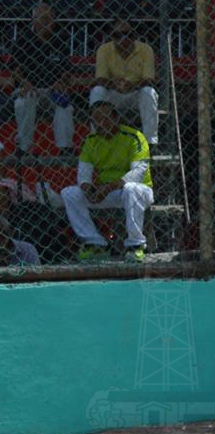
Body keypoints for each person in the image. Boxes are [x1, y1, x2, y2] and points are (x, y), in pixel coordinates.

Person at [61, 100, 153, 262]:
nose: (101, 123)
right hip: (107, 192)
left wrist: (107, 188)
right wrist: (88, 189)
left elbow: (137, 173)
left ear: (116, 118)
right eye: (96, 119)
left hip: (137, 192)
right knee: (69, 193)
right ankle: (95, 243)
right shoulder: (91, 141)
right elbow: (83, 175)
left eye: (105, 118)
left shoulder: (134, 137)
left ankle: (135, 245)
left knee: (132, 188)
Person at [10, 2, 75, 156]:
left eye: (49, 18)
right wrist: (25, 82)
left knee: (65, 105)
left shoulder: (60, 40)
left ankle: (65, 148)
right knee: (25, 100)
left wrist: (61, 82)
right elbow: (15, 69)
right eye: (42, 18)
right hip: (28, 88)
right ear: (34, 20)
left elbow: (67, 71)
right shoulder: (23, 40)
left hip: (51, 89)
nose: (47, 22)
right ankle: (24, 147)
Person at [89, 18, 159, 146]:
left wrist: (132, 86)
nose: (123, 38)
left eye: (128, 34)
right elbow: (100, 78)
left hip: (135, 94)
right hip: (114, 94)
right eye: (117, 35)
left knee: (149, 92)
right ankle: (96, 139)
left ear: (134, 36)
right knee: (97, 91)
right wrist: (114, 85)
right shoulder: (104, 50)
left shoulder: (145, 49)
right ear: (112, 36)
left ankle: (150, 142)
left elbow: (149, 79)